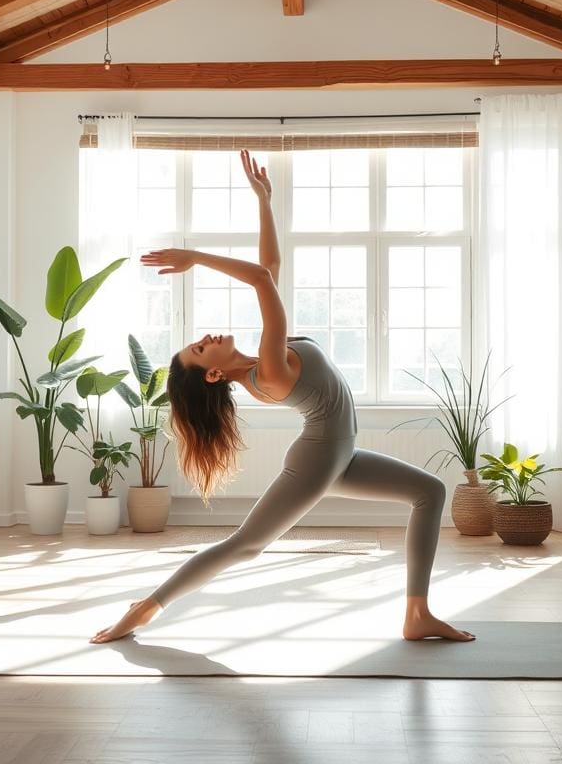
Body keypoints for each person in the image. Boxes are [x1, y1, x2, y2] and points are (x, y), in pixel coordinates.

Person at [90, 150, 475, 645]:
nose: (206, 336)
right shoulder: (269, 371)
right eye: (200, 347)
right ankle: (144, 609)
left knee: (431, 492)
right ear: (211, 375)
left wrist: (264, 201)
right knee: (247, 545)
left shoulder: (261, 357)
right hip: (319, 458)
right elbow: (262, 278)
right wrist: (196, 256)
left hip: (339, 452)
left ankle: (417, 614)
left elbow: (267, 266)